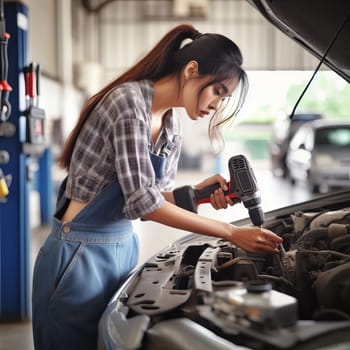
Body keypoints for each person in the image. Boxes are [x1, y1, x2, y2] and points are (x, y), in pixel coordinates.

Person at [32, 24, 282, 350]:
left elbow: (148, 200)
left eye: (225, 98)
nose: (216, 106)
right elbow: (144, 203)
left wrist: (198, 196)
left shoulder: (170, 125)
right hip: (78, 255)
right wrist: (231, 232)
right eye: (218, 91)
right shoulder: (128, 103)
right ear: (192, 70)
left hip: (123, 251)